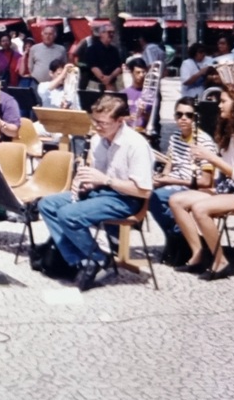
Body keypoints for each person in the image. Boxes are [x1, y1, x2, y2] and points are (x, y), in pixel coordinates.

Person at [37, 96, 154, 291]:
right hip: (102, 192)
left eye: (103, 123)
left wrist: (104, 180)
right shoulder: (99, 139)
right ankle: (88, 259)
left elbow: (144, 191)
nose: (97, 127)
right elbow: (98, 177)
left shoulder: (136, 145)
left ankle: (94, 261)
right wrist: (85, 184)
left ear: (120, 121)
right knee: (47, 204)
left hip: (127, 199)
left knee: (68, 215)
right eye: (95, 121)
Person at [168, 84, 234, 280]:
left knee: (200, 209)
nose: (219, 106)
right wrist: (207, 159)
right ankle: (198, 253)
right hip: (230, 188)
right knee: (176, 200)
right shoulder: (232, 131)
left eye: (224, 101)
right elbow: (227, 168)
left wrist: (211, 157)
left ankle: (220, 261)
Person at [148, 97, 218, 266]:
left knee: (155, 197)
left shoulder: (204, 141)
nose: (183, 118)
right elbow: (169, 166)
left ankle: (177, 237)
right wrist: (161, 178)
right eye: (179, 114)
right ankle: (177, 236)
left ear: (196, 118)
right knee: (147, 194)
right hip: (174, 184)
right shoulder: (175, 137)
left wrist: (170, 180)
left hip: (192, 188)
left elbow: (206, 181)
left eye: (189, 115)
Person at [84, 23, 122, 91]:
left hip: (111, 84)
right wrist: (104, 80)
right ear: (101, 33)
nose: (111, 35)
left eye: (113, 32)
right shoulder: (92, 49)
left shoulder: (114, 50)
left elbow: (119, 67)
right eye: (109, 32)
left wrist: (110, 77)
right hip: (95, 84)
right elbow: (93, 66)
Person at [123, 58, 153, 130]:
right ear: (131, 73)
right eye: (138, 72)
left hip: (143, 131)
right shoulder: (123, 93)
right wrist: (128, 118)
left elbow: (154, 119)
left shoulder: (152, 94)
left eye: (143, 72)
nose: (142, 75)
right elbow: (117, 117)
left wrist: (144, 114)